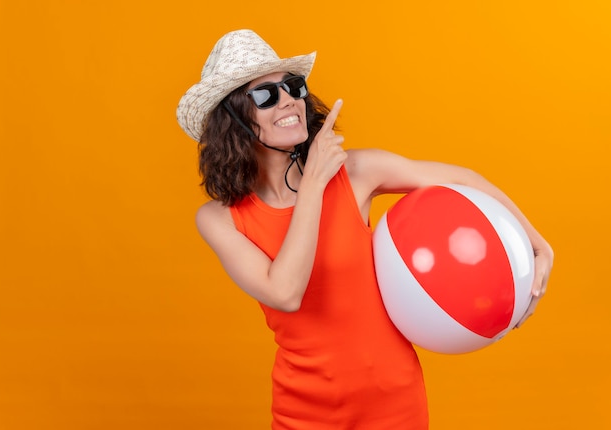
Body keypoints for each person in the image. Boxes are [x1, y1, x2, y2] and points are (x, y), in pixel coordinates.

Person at [176, 29, 553, 430]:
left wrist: (540, 244)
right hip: (303, 411)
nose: (289, 100)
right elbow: (285, 292)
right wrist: (315, 183)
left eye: (292, 87)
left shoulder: (356, 172)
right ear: (232, 121)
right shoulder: (220, 218)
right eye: (266, 95)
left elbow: (464, 180)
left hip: (394, 403)